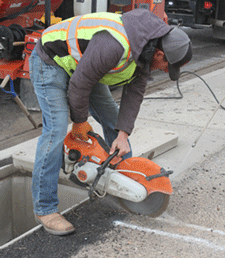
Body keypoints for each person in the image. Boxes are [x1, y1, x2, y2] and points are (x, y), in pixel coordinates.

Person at [29, 8, 192, 235]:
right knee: (56, 130)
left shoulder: (146, 50)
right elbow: (79, 85)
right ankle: (45, 208)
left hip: (84, 66)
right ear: (159, 55)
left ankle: (127, 183)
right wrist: (79, 122)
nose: (166, 72)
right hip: (51, 60)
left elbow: (134, 94)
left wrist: (123, 134)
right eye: (168, 67)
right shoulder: (115, 45)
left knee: (113, 121)